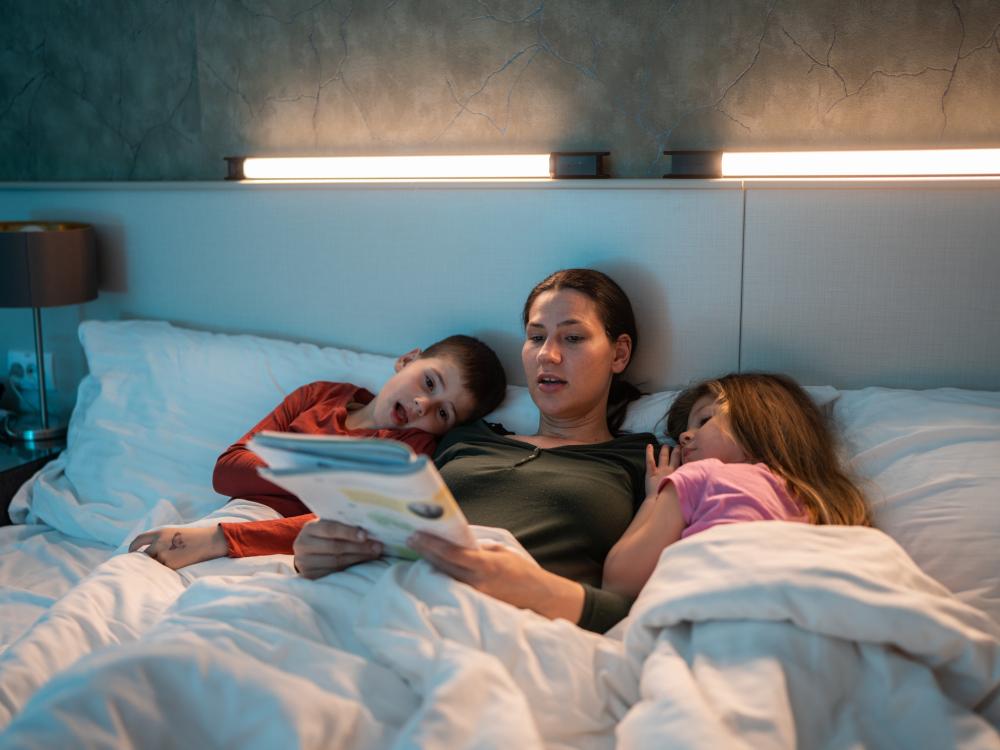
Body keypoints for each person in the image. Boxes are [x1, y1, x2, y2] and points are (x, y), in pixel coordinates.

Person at [293, 268, 657, 633]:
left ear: (619, 354)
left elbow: (636, 609)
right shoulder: (464, 438)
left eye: (573, 337)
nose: (548, 355)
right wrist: (317, 552)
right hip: (384, 602)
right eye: (536, 337)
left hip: (511, 627)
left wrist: (534, 589)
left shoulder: (646, 462)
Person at [129, 335, 507, 569]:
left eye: (443, 412)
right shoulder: (321, 395)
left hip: (284, 549)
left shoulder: (410, 451)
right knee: (125, 581)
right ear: (407, 359)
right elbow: (227, 471)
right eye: (428, 382)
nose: (424, 403)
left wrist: (222, 539)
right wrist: (333, 483)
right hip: (234, 515)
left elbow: (350, 525)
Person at [602, 372, 872, 598]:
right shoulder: (823, 501)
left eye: (704, 421)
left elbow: (620, 581)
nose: (684, 436)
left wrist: (655, 497)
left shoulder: (699, 476)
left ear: (759, 423)